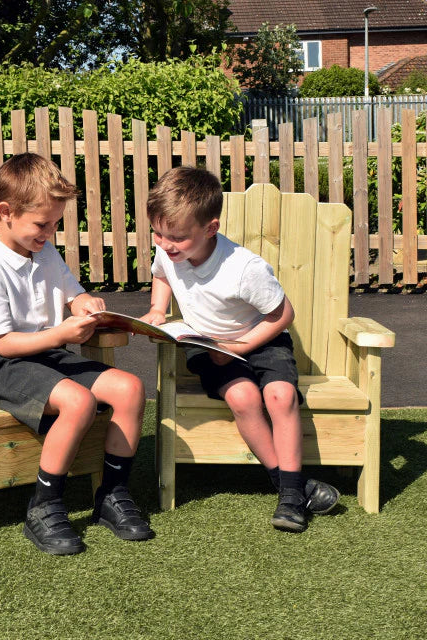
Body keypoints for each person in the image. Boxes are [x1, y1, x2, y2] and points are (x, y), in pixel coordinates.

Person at [0, 153, 153, 554]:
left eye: (54, 224)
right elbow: (4, 344)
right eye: (41, 224)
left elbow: (72, 292)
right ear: (6, 212)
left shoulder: (44, 252)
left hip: (45, 356)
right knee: (79, 401)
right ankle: (44, 507)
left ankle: (111, 497)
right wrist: (62, 331)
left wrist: (84, 303)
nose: (48, 233)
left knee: (131, 388)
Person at [140, 166, 340, 532]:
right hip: (207, 345)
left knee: (280, 396)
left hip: (260, 340)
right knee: (244, 398)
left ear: (210, 229)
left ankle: (290, 493)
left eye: (177, 237)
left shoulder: (244, 268)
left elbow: (283, 315)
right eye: (158, 233)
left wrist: (242, 344)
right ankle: (293, 489)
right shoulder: (169, 254)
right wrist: (157, 309)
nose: (165, 244)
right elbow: (160, 274)